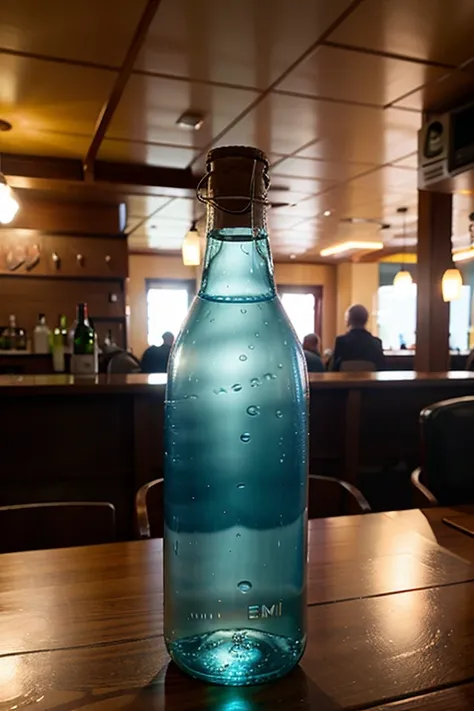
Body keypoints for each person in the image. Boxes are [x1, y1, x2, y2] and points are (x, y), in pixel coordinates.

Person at [329, 304, 385, 371]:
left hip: (345, 380)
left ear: (348, 320)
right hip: (370, 380)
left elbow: (334, 369)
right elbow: (381, 368)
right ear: (366, 320)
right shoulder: (377, 343)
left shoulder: (341, 341)